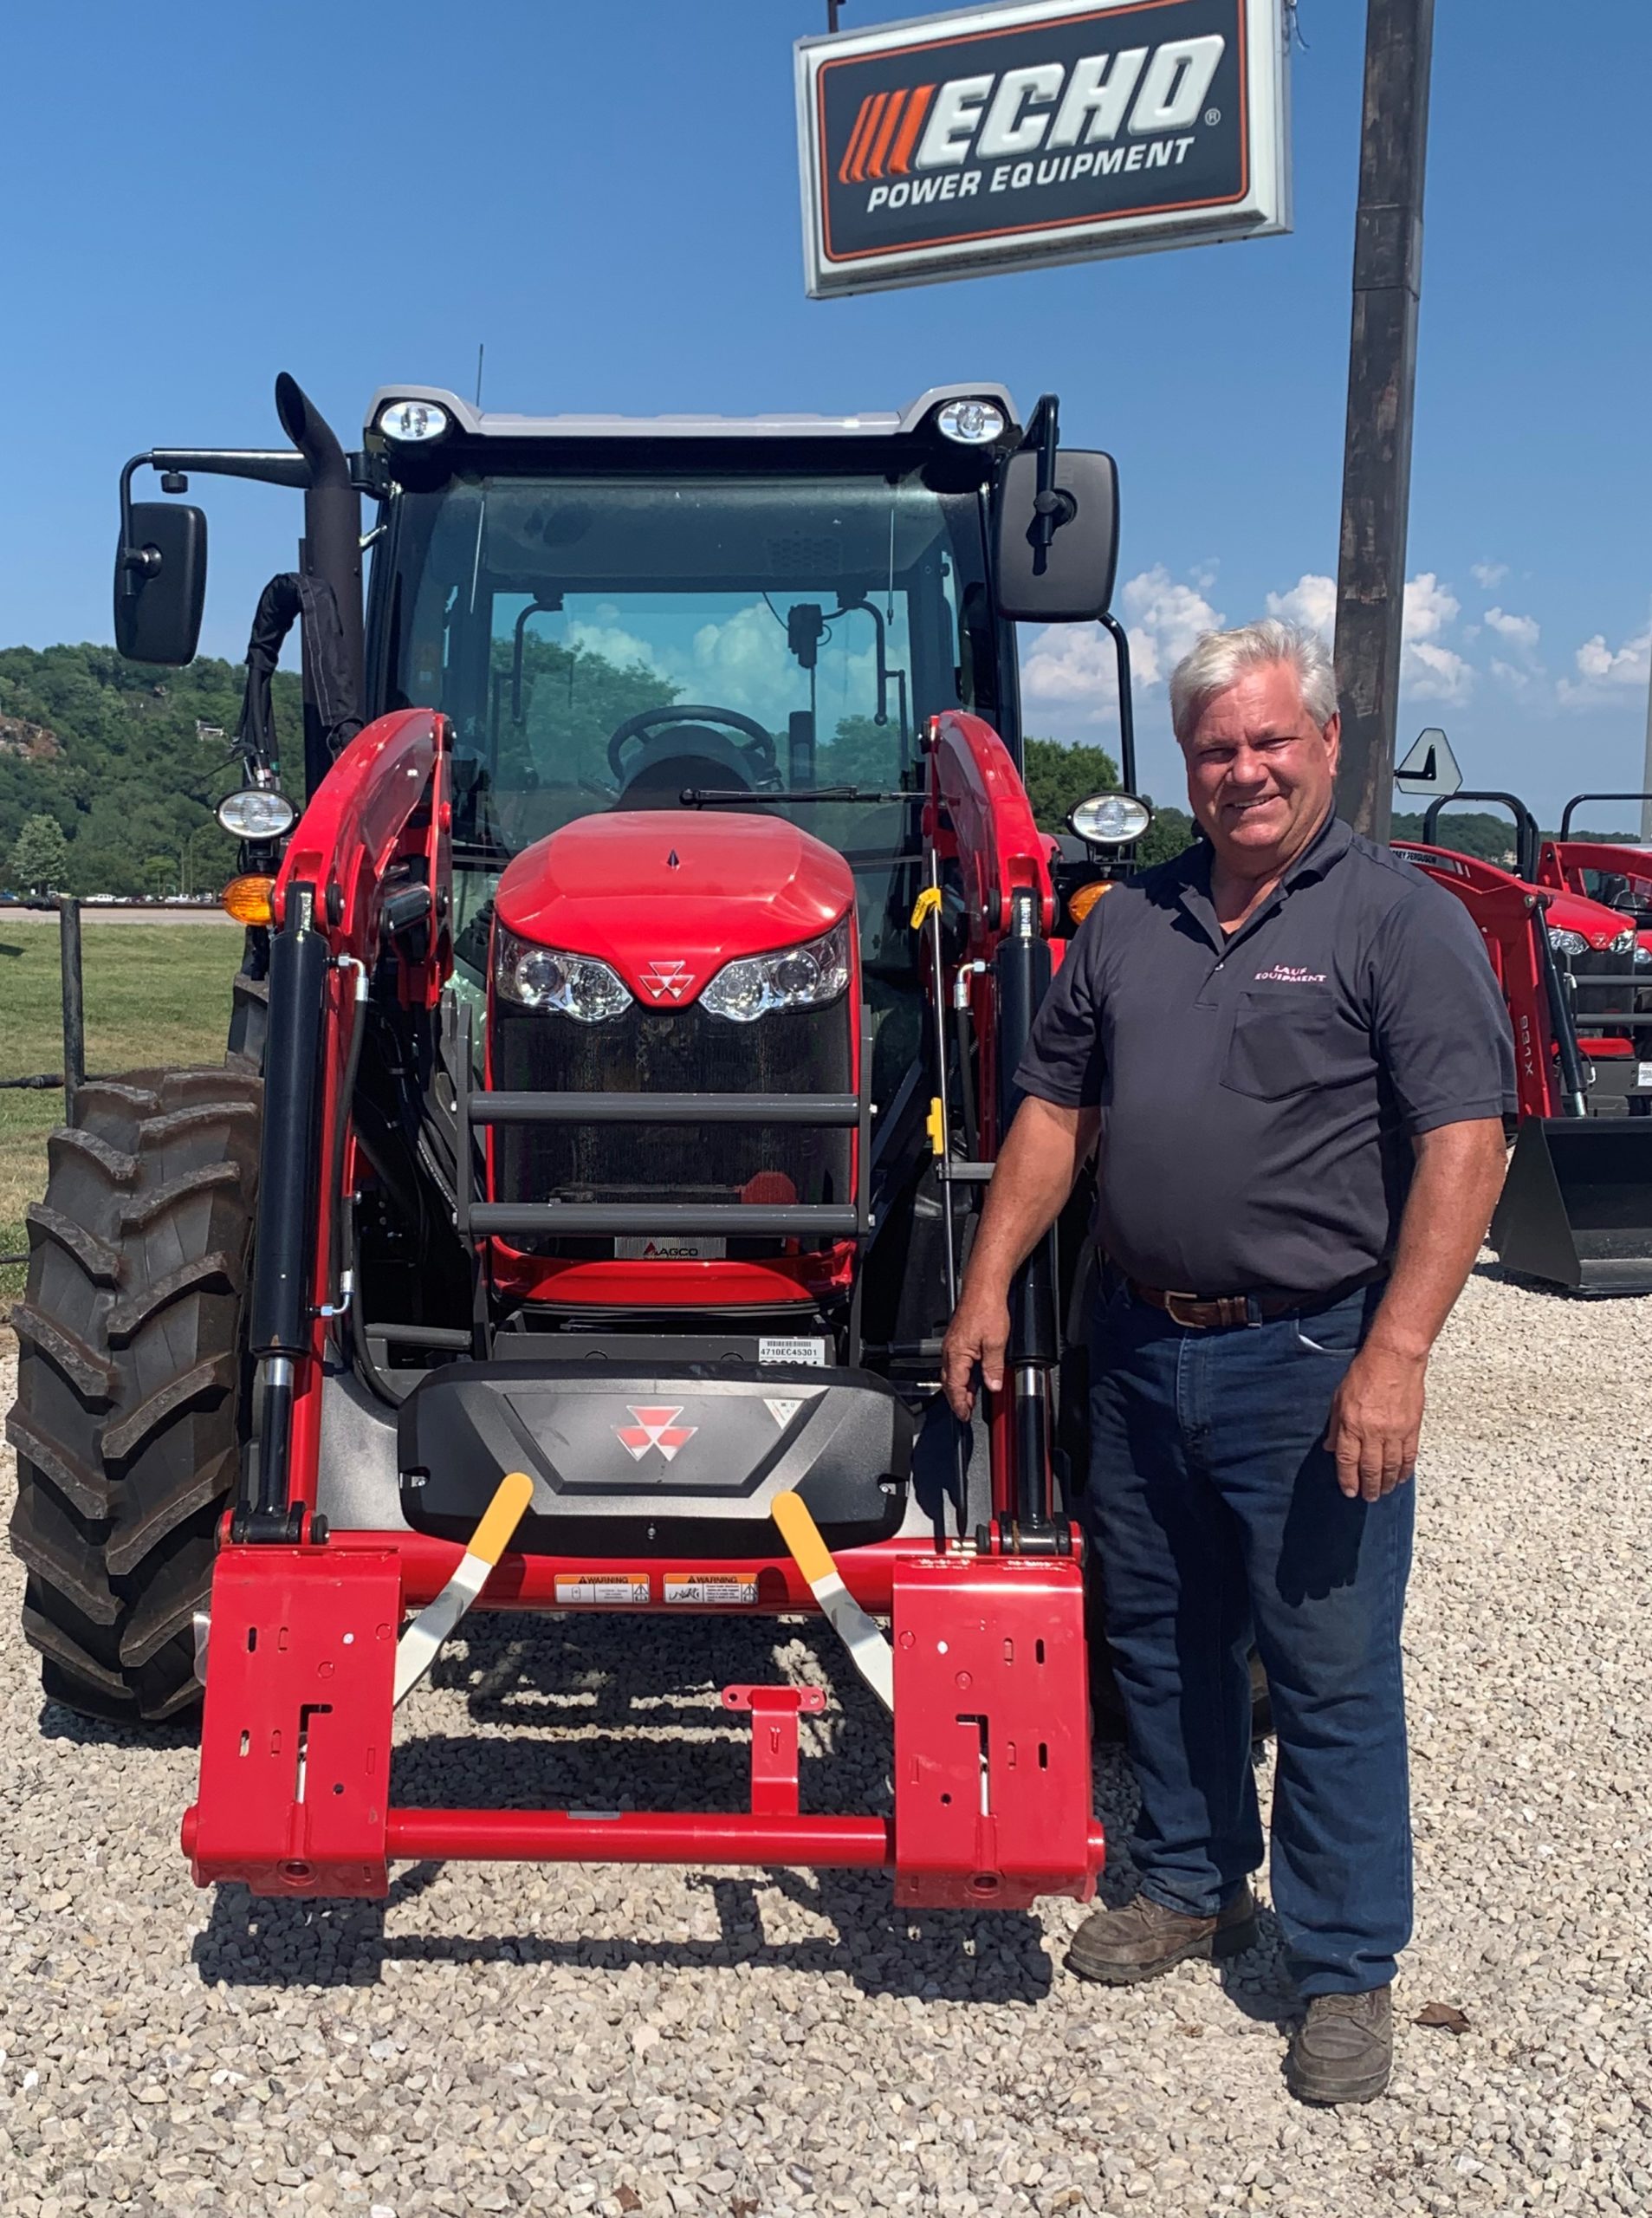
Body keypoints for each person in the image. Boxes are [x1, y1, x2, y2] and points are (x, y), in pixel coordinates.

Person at [941, 619, 1513, 2105]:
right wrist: (991, 1283)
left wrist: (1397, 1354)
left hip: (1311, 1352)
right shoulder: (1133, 923)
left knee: (1325, 1667)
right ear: (1185, 766)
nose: (1245, 771)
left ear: (1327, 745)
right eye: (1217, 749)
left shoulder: (1398, 920)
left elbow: (1468, 1144)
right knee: (1163, 1641)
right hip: (1139, 1345)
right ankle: (1193, 1884)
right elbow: (1055, 1117)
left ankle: (1343, 1967)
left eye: (1271, 742)